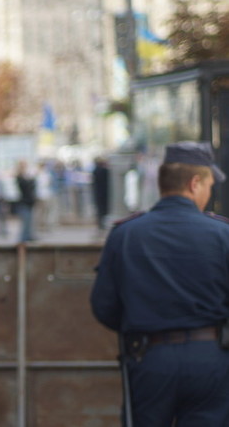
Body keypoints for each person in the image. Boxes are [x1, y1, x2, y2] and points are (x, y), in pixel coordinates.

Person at [90, 141, 229, 426]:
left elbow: (104, 305)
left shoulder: (125, 234)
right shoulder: (222, 234)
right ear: (194, 184)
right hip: (211, 359)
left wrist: (141, 325)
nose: (209, 192)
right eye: (209, 185)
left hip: (149, 356)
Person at [15, 160, 36, 242]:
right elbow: (25, 187)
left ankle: (28, 236)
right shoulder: (20, 177)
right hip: (24, 202)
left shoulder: (26, 176)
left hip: (29, 202)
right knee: (25, 221)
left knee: (29, 221)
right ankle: (23, 238)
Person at [91, 156, 110, 230]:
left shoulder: (95, 170)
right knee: (103, 210)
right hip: (103, 193)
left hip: (98, 193)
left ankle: (101, 224)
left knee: (100, 210)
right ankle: (102, 224)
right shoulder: (104, 170)